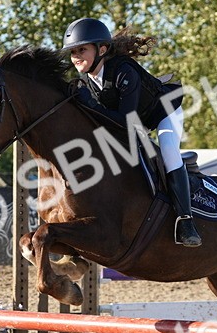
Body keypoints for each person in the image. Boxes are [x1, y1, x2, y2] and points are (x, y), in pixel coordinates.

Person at [59, 17, 202, 247]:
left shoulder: (124, 71)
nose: (76, 57)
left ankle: (186, 221)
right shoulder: (86, 79)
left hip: (164, 110)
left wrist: (92, 106)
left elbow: (126, 123)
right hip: (135, 121)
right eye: (73, 52)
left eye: (81, 50)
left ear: (101, 49)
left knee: (167, 150)